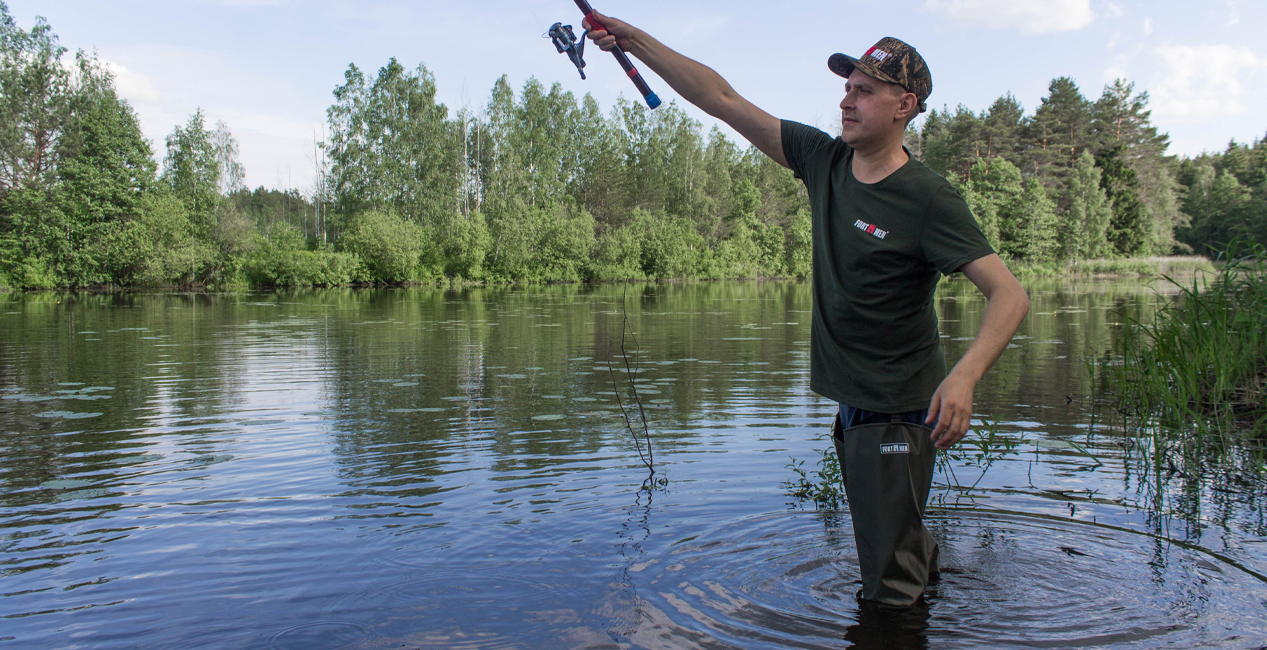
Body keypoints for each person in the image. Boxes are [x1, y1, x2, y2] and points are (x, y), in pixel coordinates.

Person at [584, 16, 1029, 606]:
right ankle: (927, 588)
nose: (846, 100)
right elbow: (719, 99)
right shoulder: (825, 161)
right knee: (898, 545)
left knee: (888, 593)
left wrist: (965, 375)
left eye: (864, 89)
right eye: (847, 86)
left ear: (905, 105)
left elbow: (1010, 293)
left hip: (896, 411)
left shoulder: (928, 198)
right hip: (856, 406)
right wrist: (634, 40)